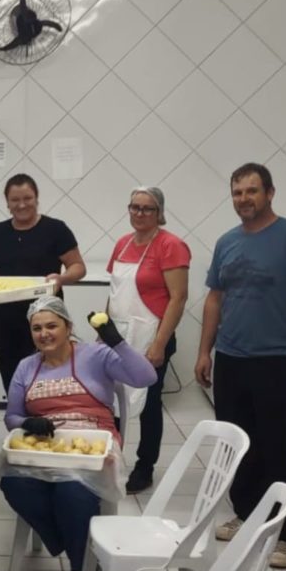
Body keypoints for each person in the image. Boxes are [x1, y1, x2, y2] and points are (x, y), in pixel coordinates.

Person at [195, 163, 286, 569]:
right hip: (232, 358)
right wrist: (205, 351)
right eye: (237, 193)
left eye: (251, 191)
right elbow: (215, 298)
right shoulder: (227, 242)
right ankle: (247, 514)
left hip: (277, 359)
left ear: (270, 193)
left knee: (275, 445)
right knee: (237, 444)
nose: (243, 199)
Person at [2, 296, 157, 571]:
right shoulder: (26, 367)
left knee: (71, 491)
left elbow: (146, 377)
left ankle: (80, 570)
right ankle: (79, 549)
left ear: (68, 327)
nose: (44, 334)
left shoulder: (96, 355)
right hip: (46, 447)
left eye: (51, 326)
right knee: (13, 484)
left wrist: (117, 342)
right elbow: (11, 417)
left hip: (93, 445)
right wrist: (28, 422)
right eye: (37, 328)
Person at [106, 187, 190, 494]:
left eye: (147, 209)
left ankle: (144, 467)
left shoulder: (171, 245)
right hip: (117, 335)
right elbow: (114, 292)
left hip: (151, 334)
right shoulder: (122, 244)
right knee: (112, 399)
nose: (140, 214)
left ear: (159, 213)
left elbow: (178, 298)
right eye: (135, 207)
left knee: (149, 403)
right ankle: (108, 459)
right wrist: (104, 334)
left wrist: (158, 344)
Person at [0, 173, 87, 393]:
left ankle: (48, 423)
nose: (21, 204)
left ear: (37, 199)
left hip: (48, 321)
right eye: (15, 200)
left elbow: (78, 267)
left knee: (48, 383)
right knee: (14, 382)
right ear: (7, 203)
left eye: (27, 198)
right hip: (6, 322)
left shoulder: (55, 229)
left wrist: (61, 279)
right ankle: (20, 423)